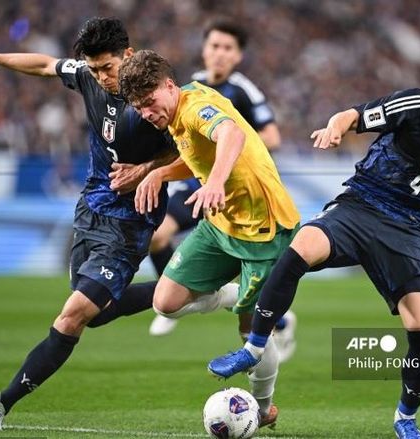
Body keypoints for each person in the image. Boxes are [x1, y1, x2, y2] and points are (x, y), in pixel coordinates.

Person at [207, 43, 420, 439]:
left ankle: (405, 418)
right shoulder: (419, 105)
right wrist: (336, 126)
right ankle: (253, 349)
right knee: (300, 248)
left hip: (406, 230)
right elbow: (353, 115)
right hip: (361, 203)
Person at [0, 18, 180, 431]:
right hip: (90, 211)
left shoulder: (153, 99)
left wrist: (148, 170)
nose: (101, 77)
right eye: (94, 69)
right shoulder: (88, 78)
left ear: (128, 57)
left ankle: (0, 405)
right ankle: (190, 288)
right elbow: (46, 65)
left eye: (107, 68)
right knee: (96, 314)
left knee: (72, 316)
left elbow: (185, 150)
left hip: (130, 224)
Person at [118, 49, 301, 427]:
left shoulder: (194, 105)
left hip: (263, 229)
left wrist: (215, 182)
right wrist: (157, 174)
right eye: (139, 107)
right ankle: (229, 296)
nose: (148, 113)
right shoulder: (173, 114)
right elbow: (198, 156)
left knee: (252, 332)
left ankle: (264, 409)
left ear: (169, 86)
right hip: (221, 224)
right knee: (165, 302)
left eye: (150, 102)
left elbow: (230, 133)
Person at [147, 20, 297, 359]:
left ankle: (277, 319)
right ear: (204, 49)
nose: (219, 54)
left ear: (239, 56)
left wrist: (233, 150)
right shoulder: (191, 87)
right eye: (214, 46)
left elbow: (270, 136)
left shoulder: (244, 89)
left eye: (227, 48)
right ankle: (178, 296)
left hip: (234, 187)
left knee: (250, 320)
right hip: (198, 181)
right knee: (157, 236)